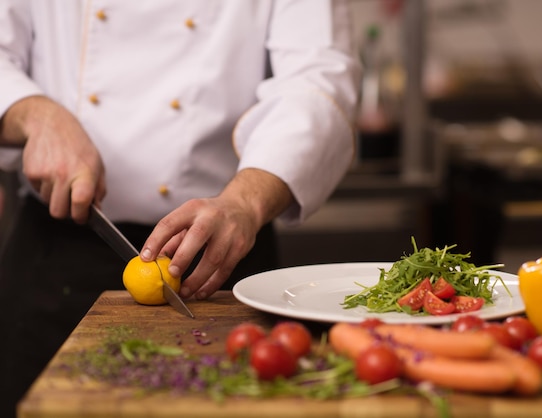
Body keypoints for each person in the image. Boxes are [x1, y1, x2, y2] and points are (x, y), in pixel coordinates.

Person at [0, 1, 360, 416]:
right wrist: (34, 113)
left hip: (221, 256)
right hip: (56, 255)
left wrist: (245, 201)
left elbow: (319, 79)